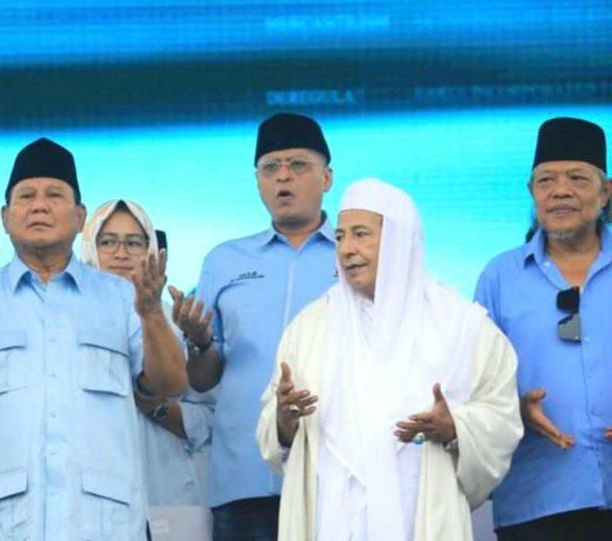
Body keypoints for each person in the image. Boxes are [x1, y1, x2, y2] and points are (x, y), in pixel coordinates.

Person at [0, 137, 187, 540]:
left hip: (105, 526)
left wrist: (153, 312)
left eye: (54, 195)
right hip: (3, 527)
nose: (39, 205)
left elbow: (171, 384)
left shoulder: (124, 299)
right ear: (5, 217)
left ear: (80, 216)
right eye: (26, 196)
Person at [257, 178, 522, 540]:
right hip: (330, 517)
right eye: (340, 237)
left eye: (361, 234)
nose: (346, 249)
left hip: (419, 516)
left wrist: (456, 427)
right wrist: (284, 421)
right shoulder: (309, 328)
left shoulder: (463, 326)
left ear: (399, 241)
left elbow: (502, 419)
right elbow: (273, 430)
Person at [173, 113, 338, 539]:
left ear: (326, 178)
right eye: (270, 168)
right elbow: (203, 379)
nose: (283, 177)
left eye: (298, 165)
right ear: (258, 181)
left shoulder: (354, 256)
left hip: (338, 476)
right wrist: (199, 342)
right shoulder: (225, 260)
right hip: (244, 479)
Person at [474, 117, 612, 540]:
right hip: (538, 498)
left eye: (577, 178)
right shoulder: (500, 277)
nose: (560, 190)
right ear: (532, 192)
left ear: (606, 192)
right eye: (546, 180)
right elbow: (473, 383)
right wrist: (513, 408)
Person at [80, 199, 215, 506]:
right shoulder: (65, 318)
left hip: (163, 486)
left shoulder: (175, 321)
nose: (121, 254)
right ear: (90, 249)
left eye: (134, 243)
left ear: (151, 251)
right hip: (85, 488)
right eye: (108, 242)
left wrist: (155, 406)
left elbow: (209, 417)